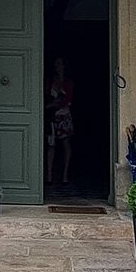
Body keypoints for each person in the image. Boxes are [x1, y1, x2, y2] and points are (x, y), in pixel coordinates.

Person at [44, 55, 75, 187]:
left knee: (66, 144)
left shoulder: (68, 82)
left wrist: (55, 104)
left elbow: (69, 99)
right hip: (52, 116)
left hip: (64, 116)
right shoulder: (50, 80)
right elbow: (45, 96)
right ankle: (49, 176)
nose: (57, 66)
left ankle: (65, 175)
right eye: (55, 63)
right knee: (51, 145)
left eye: (59, 63)